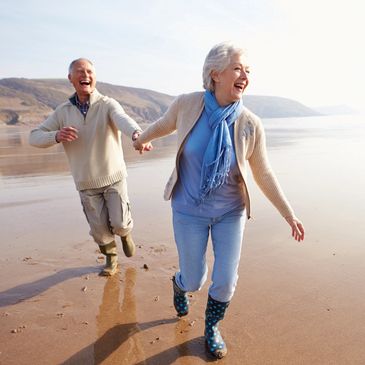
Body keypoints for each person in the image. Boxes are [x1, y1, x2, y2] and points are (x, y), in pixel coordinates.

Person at [133, 42, 305, 359]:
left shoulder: (250, 123)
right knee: (194, 278)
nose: (245, 76)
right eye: (238, 68)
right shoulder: (187, 105)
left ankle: (212, 328)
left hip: (230, 212)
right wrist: (140, 139)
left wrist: (289, 215)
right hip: (188, 210)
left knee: (225, 281)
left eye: (248, 71)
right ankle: (178, 284)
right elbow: (162, 125)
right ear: (215, 74)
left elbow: (263, 172)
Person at [29, 58, 151, 276]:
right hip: (85, 181)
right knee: (100, 230)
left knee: (120, 222)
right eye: (79, 71)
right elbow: (34, 137)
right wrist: (56, 135)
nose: (85, 75)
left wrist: (137, 134)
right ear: (71, 79)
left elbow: (123, 119)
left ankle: (125, 234)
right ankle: (111, 259)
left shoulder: (107, 104)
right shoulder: (63, 111)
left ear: (95, 76)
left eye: (89, 71)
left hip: (113, 176)